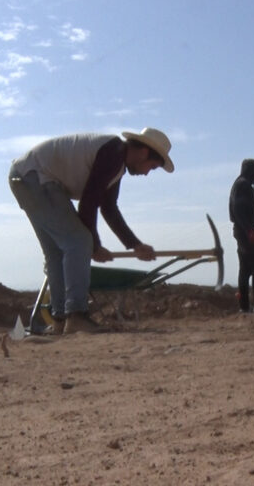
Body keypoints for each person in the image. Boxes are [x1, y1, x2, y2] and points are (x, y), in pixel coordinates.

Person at [9, 127, 174, 334]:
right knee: (79, 242)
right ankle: (76, 316)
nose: (147, 172)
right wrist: (94, 246)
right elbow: (88, 204)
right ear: (143, 152)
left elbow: (109, 208)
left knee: (57, 252)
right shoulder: (112, 153)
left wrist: (135, 245)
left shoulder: (117, 163)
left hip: (26, 177)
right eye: (152, 166)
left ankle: (60, 320)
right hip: (36, 177)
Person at [229, 158, 254, 313]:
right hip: (246, 231)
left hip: (244, 230)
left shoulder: (241, 184)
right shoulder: (243, 185)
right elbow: (239, 209)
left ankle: (246, 307)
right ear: (250, 171)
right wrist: (249, 230)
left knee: (246, 269)